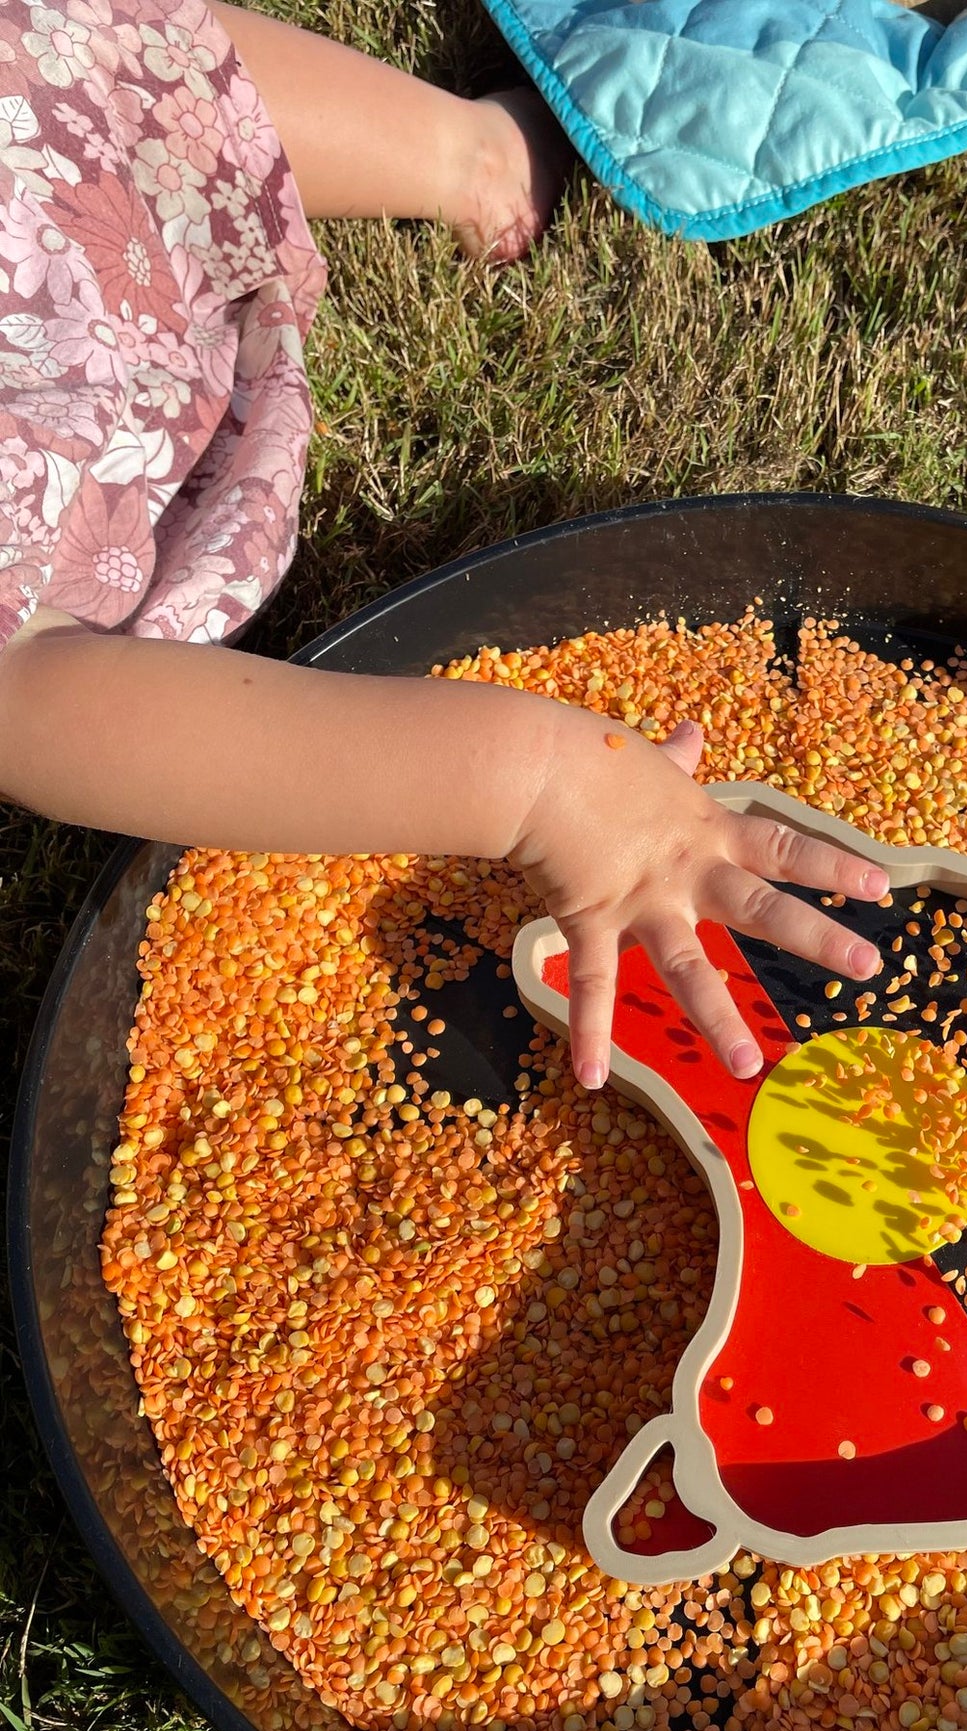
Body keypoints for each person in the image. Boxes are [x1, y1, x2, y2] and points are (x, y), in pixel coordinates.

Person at [0, 1, 886, 1090]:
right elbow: (35, 698)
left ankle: (468, 156)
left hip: (52, 193)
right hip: (63, 489)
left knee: (76, 60)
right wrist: (543, 784)